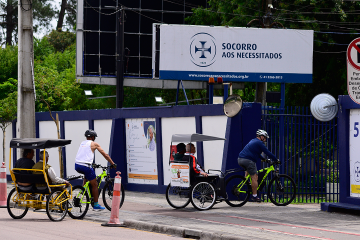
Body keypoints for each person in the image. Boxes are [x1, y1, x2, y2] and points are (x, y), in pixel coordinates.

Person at [75, 129, 115, 211]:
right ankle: (96, 205)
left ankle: (83, 190)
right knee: (95, 184)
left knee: (87, 175)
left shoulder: (82, 143)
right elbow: (105, 154)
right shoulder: (94, 144)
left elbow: (84, 155)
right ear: (93, 137)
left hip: (77, 165)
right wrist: (112, 163)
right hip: (85, 166)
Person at [238, 129, 280, 202]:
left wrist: (264, 159)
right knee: (255, 177)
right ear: (261, 136)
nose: (265, 139)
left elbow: (257, 153)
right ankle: (254, 196)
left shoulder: (253, 141)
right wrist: (276, 159)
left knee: (249, 169)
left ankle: (246, 182)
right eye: (265, 137)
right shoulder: (260, 143)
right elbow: (267, 152)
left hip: (240, 159)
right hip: (248, 160)